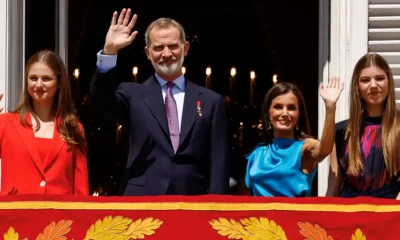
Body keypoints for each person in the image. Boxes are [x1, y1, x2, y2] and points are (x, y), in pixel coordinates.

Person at [90, 9, 229, 195]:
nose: (166, 53)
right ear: (148, 53)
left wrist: (216, 209)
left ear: (185, 48)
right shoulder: (133, 94)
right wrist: (109, 52)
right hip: (142, 201)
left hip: (192, 203)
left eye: (173, 46)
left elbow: (218, 162)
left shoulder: (211, 101)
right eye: (158, 48)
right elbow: (101, 101)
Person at [0, 50, 88, 195]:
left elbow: (81, 190)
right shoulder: (5, 124)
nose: (39, 85)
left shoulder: (73, 129)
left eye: (46, 79)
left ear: (59, 83)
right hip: (16, 214)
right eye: (33, 78)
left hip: (58, 216)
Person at [245, 79, 343, 197]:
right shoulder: (257, 154)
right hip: (260, 215)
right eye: (278, 107)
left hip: (296, 215)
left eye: (291, 108)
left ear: (298, 114)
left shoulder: (305, 148)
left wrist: (330, 107)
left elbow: (324, 149)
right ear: (268, 113)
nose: (285, 113)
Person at [326, 53, 400, 199]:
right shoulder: (340, 131)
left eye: (380, 78)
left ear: (389, 82)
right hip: (349, 214)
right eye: (365, 80)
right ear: (357, 86)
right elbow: (333, 187)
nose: (373, 85)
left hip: (390, 213)